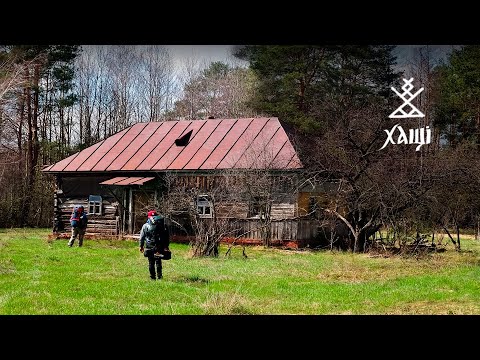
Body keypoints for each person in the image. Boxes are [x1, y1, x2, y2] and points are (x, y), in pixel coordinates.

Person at [139, 210, 170, 280]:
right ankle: (160, 277)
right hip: (159, 246)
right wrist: (166, 246)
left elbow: (142, 237)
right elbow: (166, 236)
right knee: (158, 261)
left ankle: (152, 277)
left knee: (151, 262)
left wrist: (141, 246)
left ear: (149, 217)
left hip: (149, 246)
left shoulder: (145, 225)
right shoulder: (163, 225)